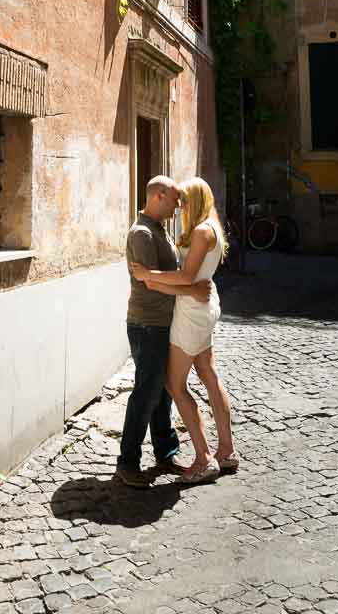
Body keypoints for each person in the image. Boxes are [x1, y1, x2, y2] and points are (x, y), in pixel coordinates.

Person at [131, 176, 238, 485]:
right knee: (208, 374)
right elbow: (194, 281)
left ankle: (204, 459)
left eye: (184, 201)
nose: (179, 206)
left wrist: (149, 276)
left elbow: (187, 276)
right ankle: (227, 452)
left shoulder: (203, 231)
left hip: (192, 314)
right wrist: (157, 281)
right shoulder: (211, 228)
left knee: (173, 383)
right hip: (203, 306)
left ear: (196, 201)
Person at [114, 175, 213, 489]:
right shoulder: (142, 233)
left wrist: (189, 290)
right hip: (147, 324)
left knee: (163, 391)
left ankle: (165, 451)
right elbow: (152, 282)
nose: (178, 205)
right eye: (174, 199)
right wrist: (192, 291)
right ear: (158, 195)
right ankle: (127, 462)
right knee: (147, 390)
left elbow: (169, 277)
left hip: (163, 323)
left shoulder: (160, 230)